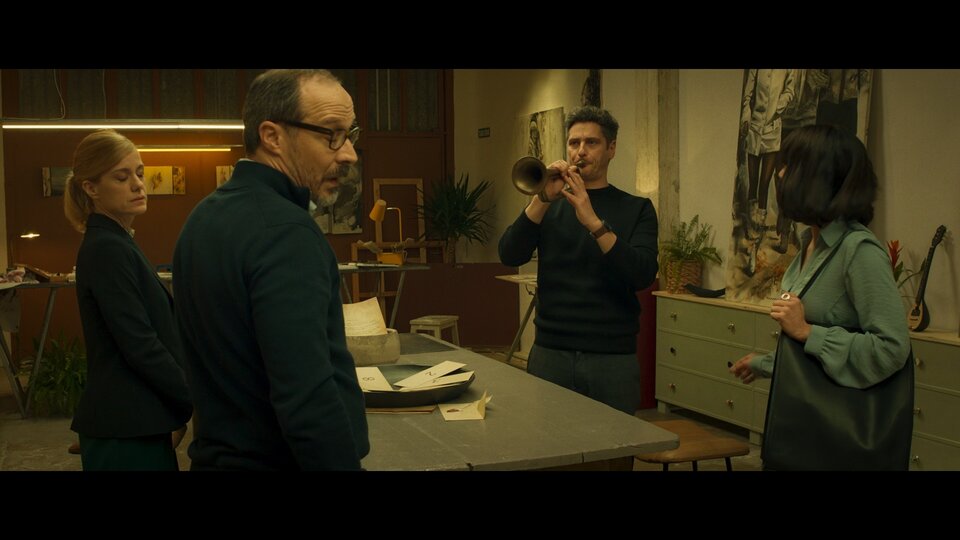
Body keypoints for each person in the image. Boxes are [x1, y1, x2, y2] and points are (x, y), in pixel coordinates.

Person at [173, 69, 369, 470]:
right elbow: (307, 398)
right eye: (331, 134)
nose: (348, 153)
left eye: (349, 134)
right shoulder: (286, 232)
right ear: (272, 136)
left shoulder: (204, 216)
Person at [729, 125, 911, 465]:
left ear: (818, 178)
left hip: (835, 444)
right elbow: (814, 353)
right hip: (801, 430)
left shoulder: (859, 251)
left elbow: (892, 348)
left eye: (790, 165)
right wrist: (765, 363)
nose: (780, 173)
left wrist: (806, 331)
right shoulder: (812, 244)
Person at [498, 106, 659, 415]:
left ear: (612, 148)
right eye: (574, 143)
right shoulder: (548, 206)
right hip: (550, 352)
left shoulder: (637, 208)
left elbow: (642, 274)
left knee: (615, 442)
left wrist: (593, 222)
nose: (580, 151)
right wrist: (541, 200)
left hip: (612, 358)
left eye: (591, 143)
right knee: (550, 441)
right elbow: (509, 254)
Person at [63, 129, 192, 471]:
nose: (137, 185)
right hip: (126, 426)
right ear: (91, 188)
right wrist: (194, 396)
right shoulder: (106, 248)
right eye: (121, 177)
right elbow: (139, 343)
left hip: (141, 421)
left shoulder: (118, 241)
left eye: (139, 173)